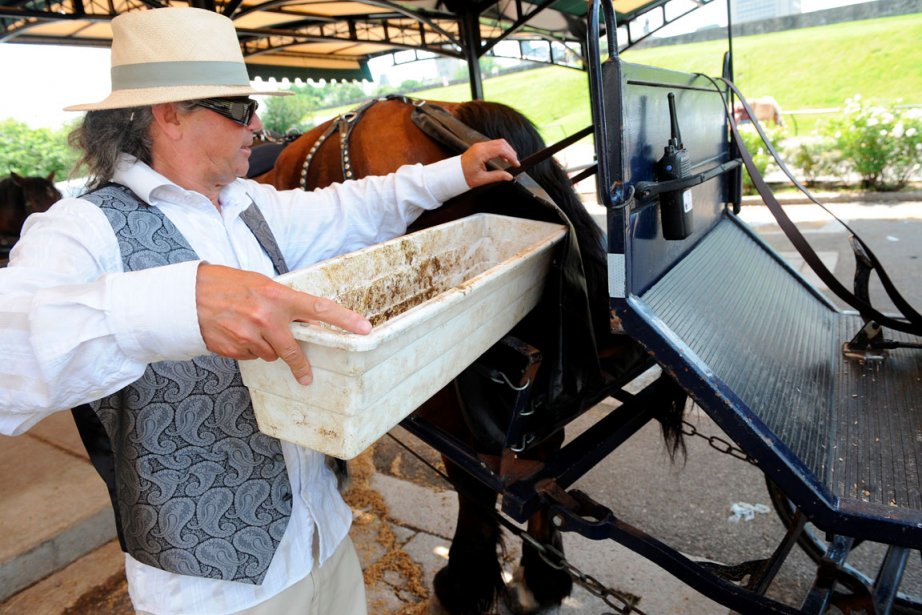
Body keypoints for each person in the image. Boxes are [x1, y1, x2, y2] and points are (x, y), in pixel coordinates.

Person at [0, 7, 519, 615]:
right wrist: (179, 303)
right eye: (240, 107)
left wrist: (454, 172)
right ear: (170, 114)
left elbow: (352, 206)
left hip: (325, 536)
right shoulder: (80, 229)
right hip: (215, 590)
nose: (257, 123)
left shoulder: (251, 204)